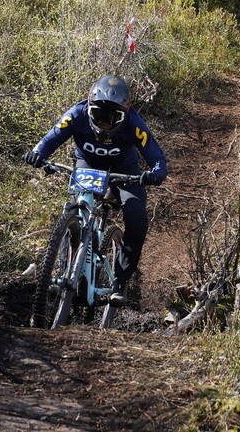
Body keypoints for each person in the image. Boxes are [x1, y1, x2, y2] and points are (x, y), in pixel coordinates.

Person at [23, 75, 168, 306]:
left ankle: (121, 280)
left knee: (136, 217)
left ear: (125, 114)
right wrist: (38, 154)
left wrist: (157, 173)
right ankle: (65, 270)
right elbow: (51, 137)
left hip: (124, 170)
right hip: (87, 165)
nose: (104, 123)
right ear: (89, 109)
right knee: (74, 212)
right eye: (99, 115)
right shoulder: (76, 114)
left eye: (112, 117)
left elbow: (156, 155)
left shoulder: (134, 122)